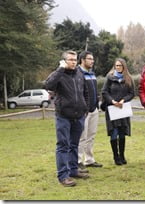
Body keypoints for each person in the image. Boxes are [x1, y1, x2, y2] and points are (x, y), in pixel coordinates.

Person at [45, 50, 89, 187]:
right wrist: (60, 69)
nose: (73, 62)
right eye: (70, 60)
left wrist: (85, 108)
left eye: (75, 60)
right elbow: (48, 85)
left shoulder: (79, 74)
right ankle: (63, 176)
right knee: (63, 145)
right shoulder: (58, 74)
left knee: (74, 145)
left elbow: (85, 92)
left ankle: (74, 170)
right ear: (64, 61)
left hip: (79, 116)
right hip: (63, 116)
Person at [101, 58, 135, 165]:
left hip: (123, 109)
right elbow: (104, 92)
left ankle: (122, 155)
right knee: (114, 132)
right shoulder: (110, 78)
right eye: (116, 66)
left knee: (122, 133)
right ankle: (116, 156)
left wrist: (123, 100)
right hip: (112, 109)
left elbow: (131, 93)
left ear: (124, 67)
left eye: (120, 66)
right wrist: (112, 101)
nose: (118, 67)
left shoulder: (128, 79)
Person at [77, 51, 103, 170]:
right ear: (82, 59)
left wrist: (97, 104)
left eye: (93, 59)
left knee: (91, 135)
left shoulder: (92, 73)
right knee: (81, 136)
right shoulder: (78, 73)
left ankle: (89, 159)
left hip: (94, 109)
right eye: (89, 59)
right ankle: (78, 161)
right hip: (84, 111)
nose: (92, 61)